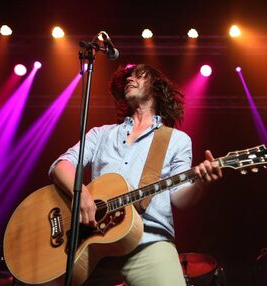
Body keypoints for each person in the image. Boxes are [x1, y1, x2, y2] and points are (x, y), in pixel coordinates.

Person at [49, 64, 222, 286]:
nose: (130, 79)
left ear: (156, 88)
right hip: (92, 242)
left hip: (148, 241)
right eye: (128, 76)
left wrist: (201, 183)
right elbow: (61, 166)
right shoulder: (101, 134)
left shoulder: (177, 140)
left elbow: (179, 198)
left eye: (139, 75)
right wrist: (81, 195)